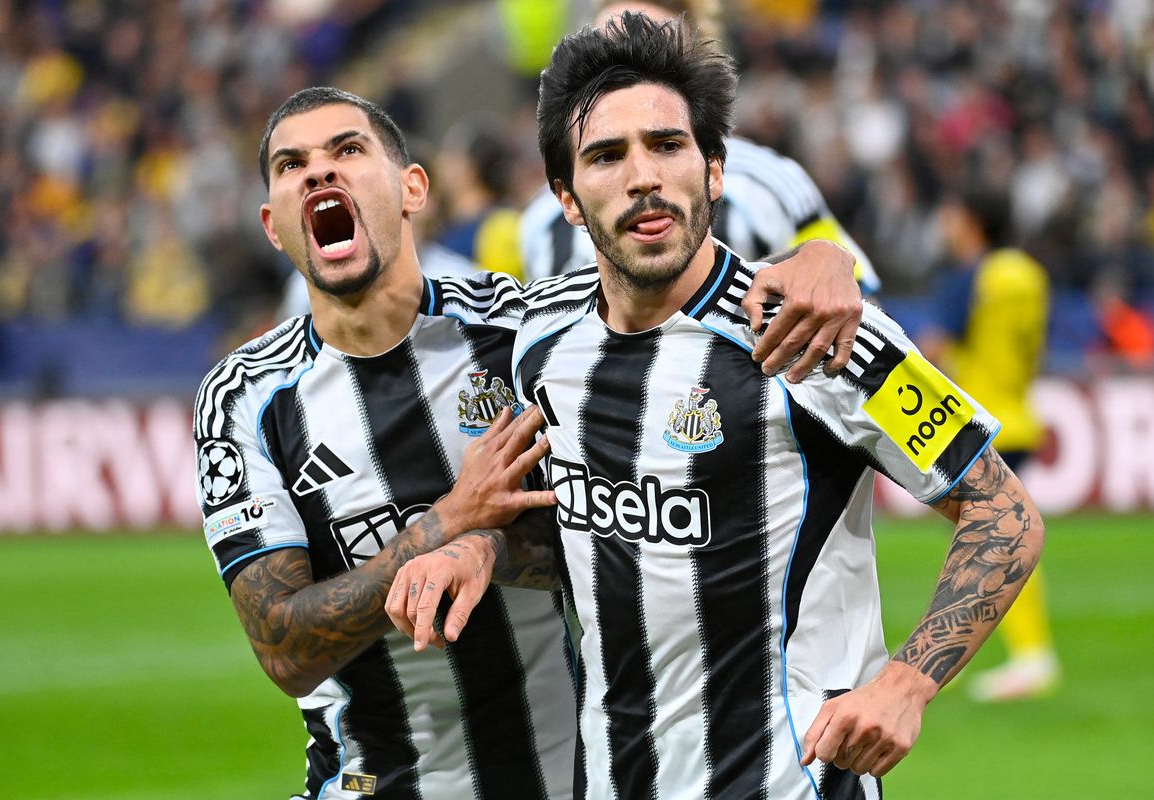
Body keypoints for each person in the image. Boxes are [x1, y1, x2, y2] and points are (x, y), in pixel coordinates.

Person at [387, 15, 1045, 798]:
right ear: (566, 198)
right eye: (606, 156)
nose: (642, 176)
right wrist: (482, 550)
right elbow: (584, 539)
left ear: (714, 171)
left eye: (667, 146)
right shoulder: (541, 338)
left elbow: (1004, 516)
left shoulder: (820, 331)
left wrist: (907, 683)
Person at [194, 85, 866, 798]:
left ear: (412, 188)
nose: (319, 173)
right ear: (273, 224)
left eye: (348, 151)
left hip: (563, 781)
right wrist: (448, 522)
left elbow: (677, 282)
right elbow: (283, 647)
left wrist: (823, 257)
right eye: (293, 164)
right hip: (369, 783)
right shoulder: (247, 400)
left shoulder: (523, 331)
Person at [518, 0, 882, 299]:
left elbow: (854, 296)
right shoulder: (540, 222)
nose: (626, 77)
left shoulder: (772, 183)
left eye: (651, 51)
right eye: (606, 57)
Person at [923, 189, 1061, 702]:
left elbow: (936, 349)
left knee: (993, 537)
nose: (946, 222)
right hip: (1021, 410)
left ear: (973, 221)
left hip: (978, 423)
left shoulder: (971, 275)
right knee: (1004, 528)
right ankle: (1027, 654)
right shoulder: (1027, 272)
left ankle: (1030, 656)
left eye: (953, 212)